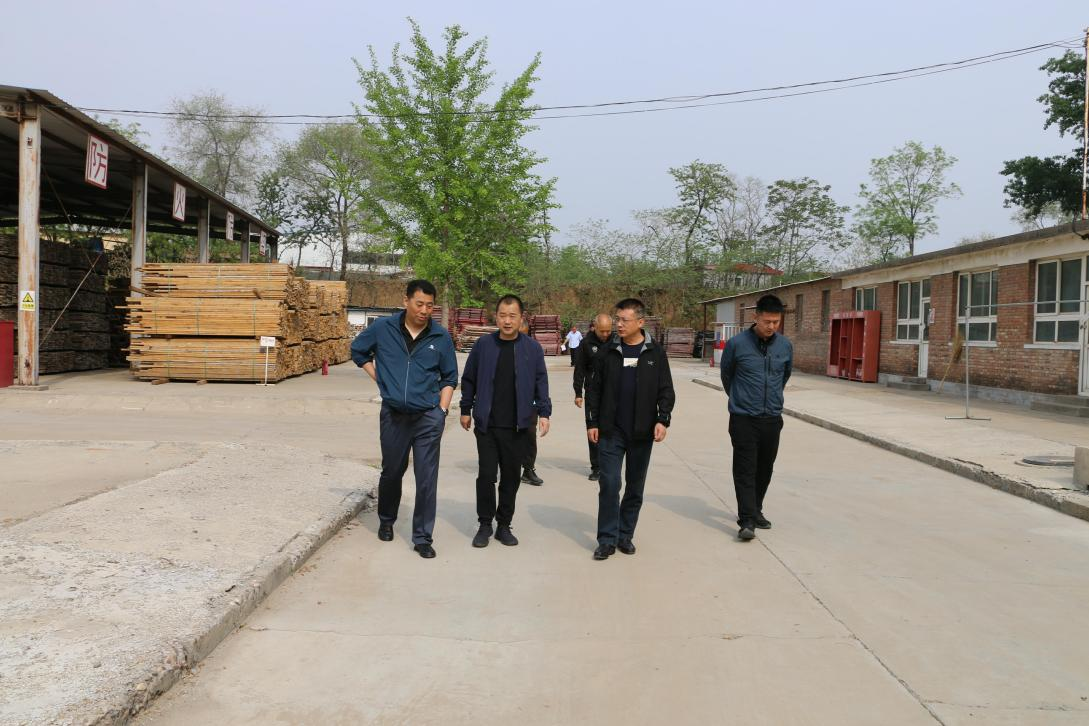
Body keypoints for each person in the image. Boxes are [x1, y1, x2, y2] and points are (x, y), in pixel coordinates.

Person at [350, 279, 458, 559]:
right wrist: (380, 379)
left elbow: (449, 377)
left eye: (430, 306)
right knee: (392, 471)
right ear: (406, 301)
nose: (424, 310)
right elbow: (358, 350)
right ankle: (387, 520)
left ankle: (422, 537)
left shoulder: (440, 337)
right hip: (394, 416)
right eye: (419, 304)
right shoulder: (383, 328)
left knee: (426, 479)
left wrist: (442, 411)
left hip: (427, 417)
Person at [586, 299, 675, 560]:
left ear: (640, 322)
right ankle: (606, 539)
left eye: (624, 320)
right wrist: (592, 422)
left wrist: (663, 419)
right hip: (610, 430)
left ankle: (625, 535)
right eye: (618, 319)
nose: (619, 324)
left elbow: (666, 390)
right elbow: (593, 390)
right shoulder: (607, 352)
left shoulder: (655, 353)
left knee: (635, 487)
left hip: (641, 432)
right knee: (610, 483)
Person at [460, 295, 551, 548]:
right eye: (502, 315)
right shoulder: (483, 345)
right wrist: (466, 409)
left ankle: (503, 525)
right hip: (487, 425)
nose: (507, 321)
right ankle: (485, 524)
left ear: (522, 318)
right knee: (486, 476)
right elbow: (469, 378)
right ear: (496, 317)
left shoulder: (532, 348)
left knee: (511, 477)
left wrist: (544, 413)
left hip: (518, 426)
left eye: (512, 316)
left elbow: (541, 382)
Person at [719, 294, 792, 542]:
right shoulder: (736, 344)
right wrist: (742, 399)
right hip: (743, 418)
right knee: (745, 468)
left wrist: (771, 400)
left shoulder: (785, 346)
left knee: (765, 468)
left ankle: (756, 509)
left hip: (772, 417)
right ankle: (747, 520)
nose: (771, 326)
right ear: (755, 317)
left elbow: (784, 376)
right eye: (767, 321)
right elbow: (727, 376)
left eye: (776, 322)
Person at [573, 313, 616, 481]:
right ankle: (596, 467)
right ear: (594, 328)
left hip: (613, 392)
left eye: (608, 331)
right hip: (593, 393)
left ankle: (610, 463)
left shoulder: (617, 341)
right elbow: (580, 369)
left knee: (613, 429)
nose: (605, 334)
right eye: (602, 331)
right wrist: (578, 393)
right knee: (593, 428)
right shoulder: (586, 344)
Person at [518, 315, 545, 487]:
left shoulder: (534, 349)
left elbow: (541, 379)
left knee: (529, 436)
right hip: (506, 402)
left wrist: (543, 408)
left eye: (524, 334)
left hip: (529, 403)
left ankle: (528, 470)